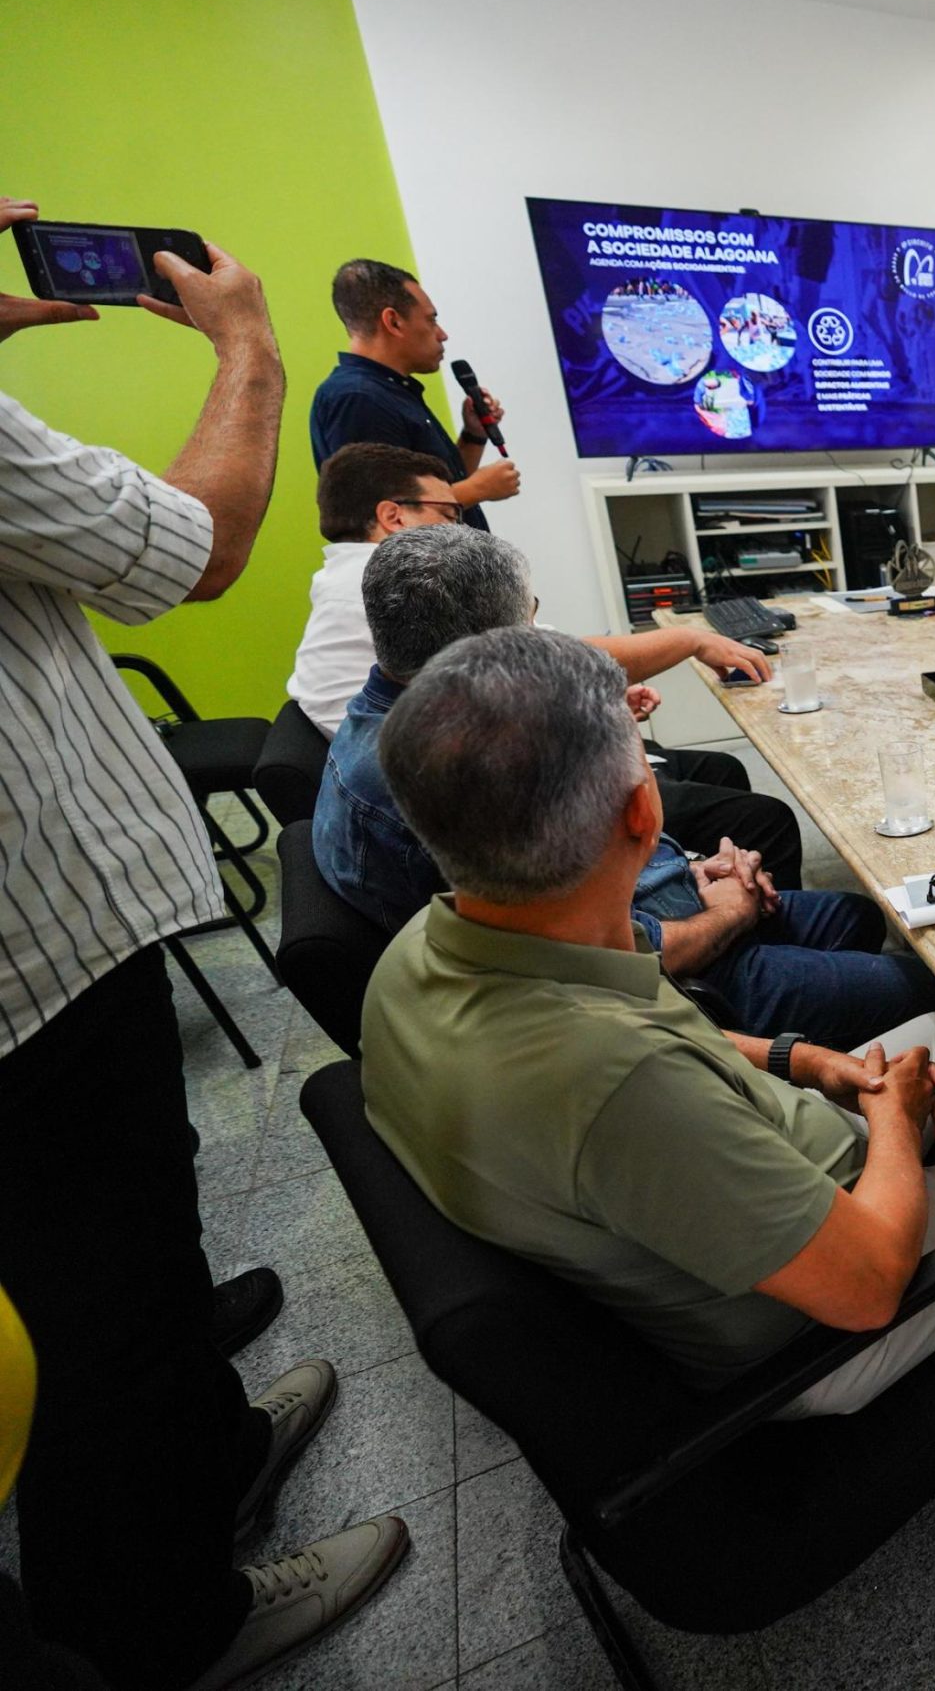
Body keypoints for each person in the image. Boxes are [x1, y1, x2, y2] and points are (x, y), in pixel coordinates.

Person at [361, 625, 935, 1445]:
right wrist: (891, 1123)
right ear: (643, 810)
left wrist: (798, 1059)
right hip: (823, 1310)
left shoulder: (427, 951)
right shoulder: (614, 1085)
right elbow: (868, 1286)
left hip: (769, 1176)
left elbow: (665, 1043)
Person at [0, 197, 407, 1690]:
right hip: (25, 968)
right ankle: (175, 1618)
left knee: (140, 1234)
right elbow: (194, 548)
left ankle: (215, 1444)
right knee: (89, 1303)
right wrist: (246, 343)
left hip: (59, 939)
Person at [313, 523, 935, 1048]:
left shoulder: (406, 722)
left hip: (662, 909)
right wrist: (730, 911)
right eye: (532, 619)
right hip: (669, 988)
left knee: (859, 916)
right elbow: (599, 958)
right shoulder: (441, 774)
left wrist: (693, 869)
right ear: (495, 647)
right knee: (930, 987)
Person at [290, 442, 802, 884]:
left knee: (722, 769)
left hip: (463, 764)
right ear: (393, 516)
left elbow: (522, 668)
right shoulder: (403, 587)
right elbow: (552, 659)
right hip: (494, 798)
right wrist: (685, 642)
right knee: (763, 818)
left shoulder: (362, 583)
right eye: (448, 513)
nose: (459, 525)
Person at [309, 257, 518, 529]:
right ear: (393, 322)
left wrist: (473, 435)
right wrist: (478, 489)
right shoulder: (358, 398)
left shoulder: (391, 390)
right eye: (431, 320)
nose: (442, 334)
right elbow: (386, 516)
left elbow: (437, 488)